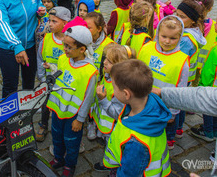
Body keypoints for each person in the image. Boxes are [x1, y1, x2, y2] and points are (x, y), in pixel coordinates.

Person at [102, 60, 172, 176]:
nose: (113, 89)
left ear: (126, 94)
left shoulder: (136, 144)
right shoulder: (150, 104)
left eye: (114, 87)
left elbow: (129, 173)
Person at [46, 25, 98, 177]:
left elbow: (88, 98)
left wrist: (80, 119)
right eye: (64, 45)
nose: (65, 49)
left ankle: (70, 164)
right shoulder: (63, 59)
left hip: (73, 116)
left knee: (71, 140)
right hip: (58, 110)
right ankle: (58, 157)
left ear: (82, 49)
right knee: (56, 135)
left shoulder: (90, 72)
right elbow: (59, 82)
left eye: (69, 47)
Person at [139, 16, 190, 150]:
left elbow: (181, 91)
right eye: (164, 36)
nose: (167, 41)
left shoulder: (182, 61)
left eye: (173, 38)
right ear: (157, 33)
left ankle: (167, 142)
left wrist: (173, 113)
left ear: (180, 37)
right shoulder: (146, 48)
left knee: (162, 139)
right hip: (143, 101)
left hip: (165, 107)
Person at [91, 44, 135, 172]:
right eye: (105, 58)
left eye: (109, 61)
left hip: (115, 128)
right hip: (107, 125)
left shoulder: (122, 88)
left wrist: (103, 100)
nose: (104, 62)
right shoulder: (109, 76)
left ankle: (112, 168)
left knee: (114, 149)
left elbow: (118, 113)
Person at [36, 6, 70, 142]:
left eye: (54, 21)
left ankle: (61, 126)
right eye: (50, 20)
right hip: (48, 81)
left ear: (65, 23)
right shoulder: (46, 39)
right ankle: (43, 124)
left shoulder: (70, 41)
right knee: (45, 104)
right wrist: (42, 77)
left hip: (64, 83)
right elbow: (39, 58)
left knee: (62, 105)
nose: (50, 24)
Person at [176, 0, 207, 139]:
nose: (177, 19)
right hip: (188, 76)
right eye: (176, 14)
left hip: (179, 77)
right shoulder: (193, 32)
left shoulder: (185, 39)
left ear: (193, 20)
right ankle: (179, 128)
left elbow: (177, 59)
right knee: (181, 103)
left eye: (182, 16)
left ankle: (175, 130)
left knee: (176, 104)